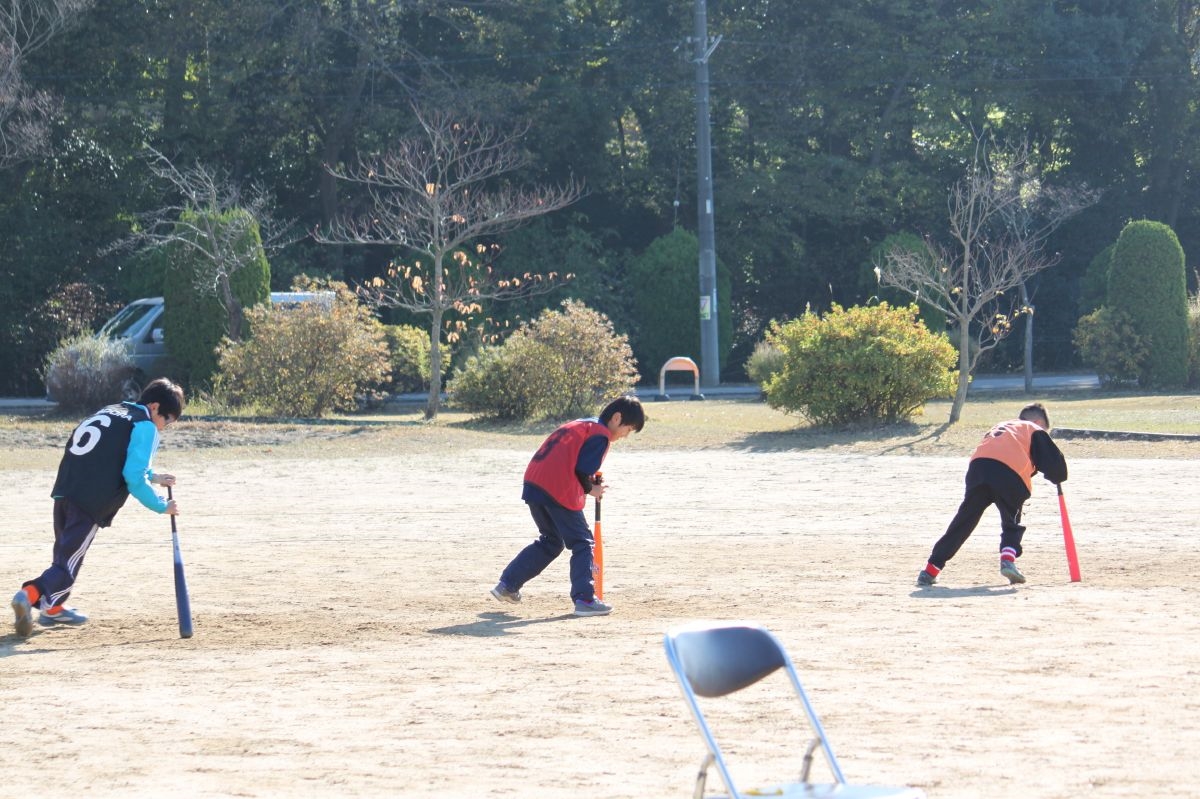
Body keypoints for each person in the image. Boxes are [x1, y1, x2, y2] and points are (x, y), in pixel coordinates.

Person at [11, 378, 185, 636]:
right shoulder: (146, 426)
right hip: (90, 501)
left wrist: (154, 476)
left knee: (64, 554)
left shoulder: (113, 410)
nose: (164, 427)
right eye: (167, 420)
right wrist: (162, 505)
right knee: (66, 565)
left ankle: (53, 608)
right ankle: (28, 594)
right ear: (155, 407)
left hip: (65, 489)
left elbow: (112, 452)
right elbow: (133, 477)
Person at [491, 395, 645, 617]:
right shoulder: (601, 434)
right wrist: (591, 489)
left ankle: (507, 585)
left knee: (552, 541)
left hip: (534, 484)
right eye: (628, 429)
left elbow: (572, 460)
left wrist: (588, 483)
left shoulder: (584, 424)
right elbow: (582, 470)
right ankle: (585, 599)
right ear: (616, 418)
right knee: (583, 542)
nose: (625, 435)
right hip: (557, 487)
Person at [917, 402, 1067, 587]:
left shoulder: (1003, 426)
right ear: (1038, 422)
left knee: (964, 520)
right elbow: (1055, 464)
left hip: (978, 468)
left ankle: (931, 569)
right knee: (1012, 520)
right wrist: (1057, 477)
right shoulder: (1033, 428)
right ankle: (1008, 559)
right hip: (1008, 472)